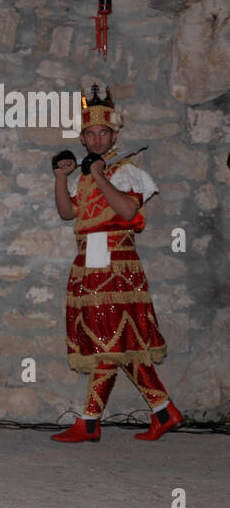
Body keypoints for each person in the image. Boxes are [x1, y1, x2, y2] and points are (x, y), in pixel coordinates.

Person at [50, 84, 181, 442]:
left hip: (118, 265)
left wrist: (100, 175)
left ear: (113, 134)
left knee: (112, 340)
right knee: (114, 342)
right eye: (90, 134)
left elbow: (126, 210)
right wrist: (63, 178)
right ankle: (161, 411)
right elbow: (67, 213)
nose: (96, 139)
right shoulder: (85, 175)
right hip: (88, 265)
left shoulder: (124, 171)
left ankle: (92, 422)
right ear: (83, 137)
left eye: (102, 132)